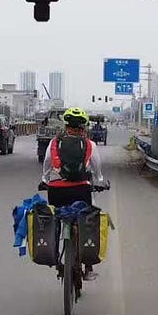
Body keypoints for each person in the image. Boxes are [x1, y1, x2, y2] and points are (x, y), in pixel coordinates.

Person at [41, 107, 107, 279]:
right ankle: (89, 268)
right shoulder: (90, 145)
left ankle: (54, 255)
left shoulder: (54, 143)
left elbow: (47, 162)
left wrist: (45, 180)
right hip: (81, 190)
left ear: (66, 126)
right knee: (88, 219)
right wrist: (100, 182)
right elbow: (97, 169)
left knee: (56, 219)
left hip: (56, 192)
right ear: (83, 127)